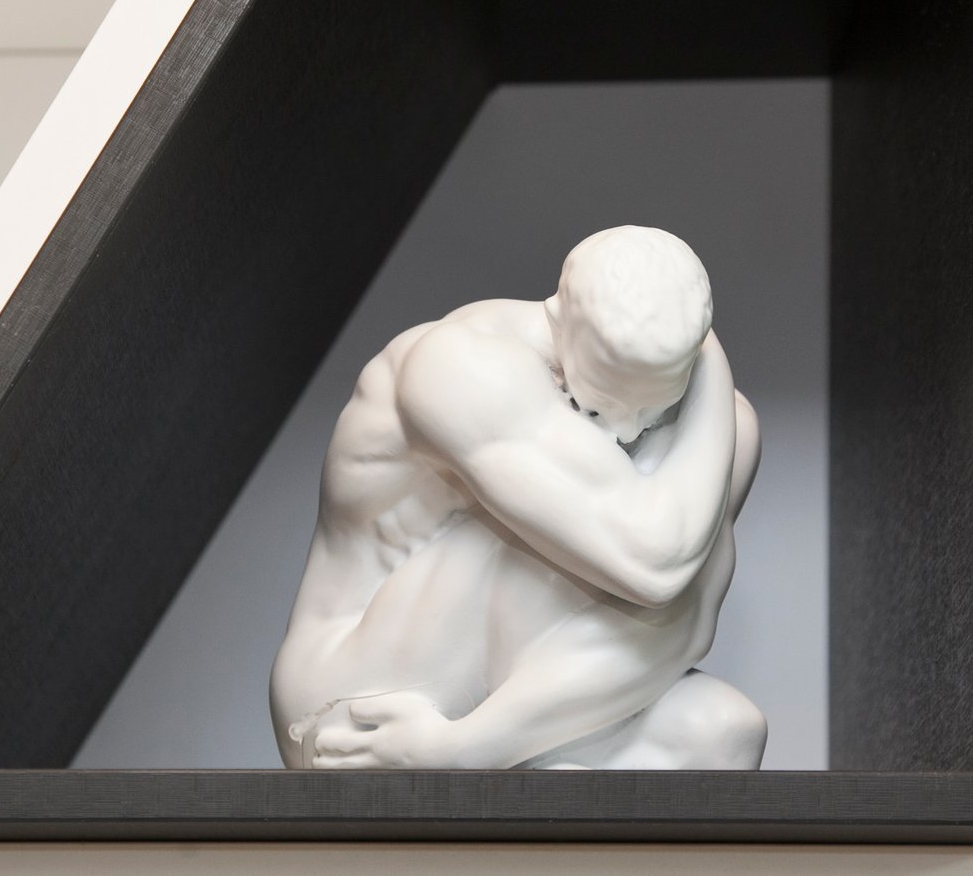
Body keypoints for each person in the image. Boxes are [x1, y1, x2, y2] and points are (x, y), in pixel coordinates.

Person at [269, 226, 765, 770]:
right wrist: (712, 366)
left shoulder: (720, 421)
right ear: (558, 322)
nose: (626, 429)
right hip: (355, 704)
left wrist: (461, 750)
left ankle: (513, 766)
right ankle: (498, 761)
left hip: (491, 716)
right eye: (604, 399)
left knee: (724, 730)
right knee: (562, 541)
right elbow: (657, 566)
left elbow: (681, 627)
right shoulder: (461, 364)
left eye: (653, 406)